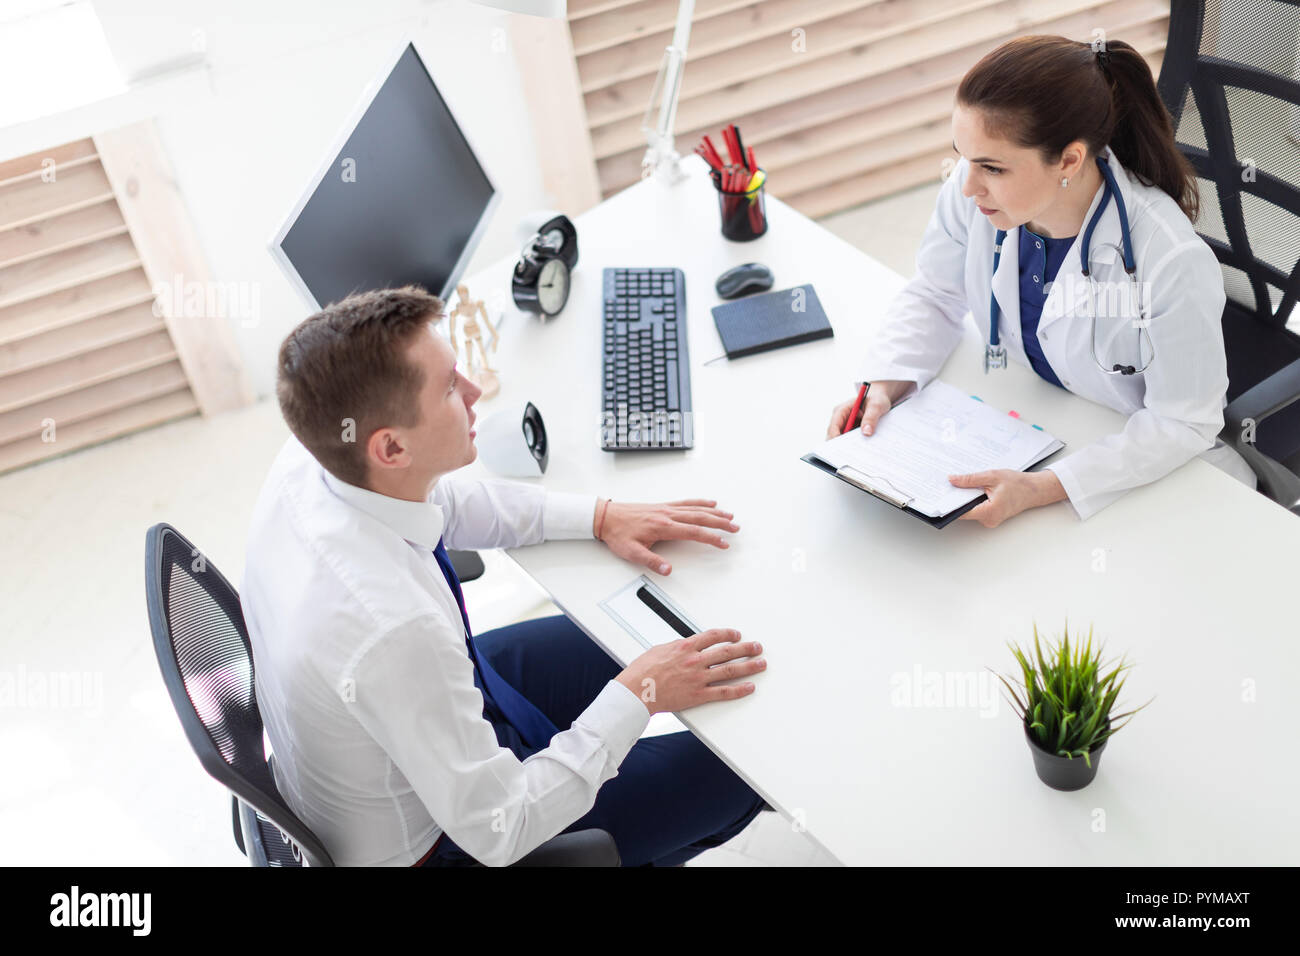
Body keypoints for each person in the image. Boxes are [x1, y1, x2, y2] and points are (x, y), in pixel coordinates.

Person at [240, 286, 768, 866]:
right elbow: (502, 827)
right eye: (448, 388)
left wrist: (600, 516)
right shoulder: (391, 628)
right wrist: (640, 695)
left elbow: (444, 501)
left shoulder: (315, 456)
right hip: (444, 840)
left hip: (422, 719)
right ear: (390, 446)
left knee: (650, 635)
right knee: (746, 763)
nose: (472, 392)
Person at [827, 35, 1256, 526]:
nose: (967, 185)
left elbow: (1183, 421)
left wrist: (1041, 489)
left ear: (1070, 161)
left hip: (1142, 467)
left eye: (992, 167)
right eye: (964, 157)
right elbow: (935, 293)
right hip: (1035, 415)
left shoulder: (1167, 257)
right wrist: (885, 384)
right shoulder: (976, 195)